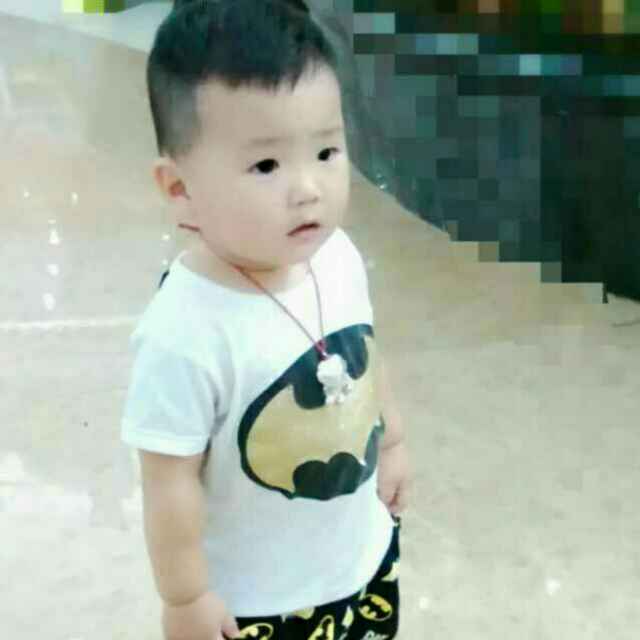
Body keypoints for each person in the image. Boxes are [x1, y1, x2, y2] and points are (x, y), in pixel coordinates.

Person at [120, 1, 412, 639]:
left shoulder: (336, 256)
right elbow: (168, 481)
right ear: (179, 189)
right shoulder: (185, 332)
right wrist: (185, 597)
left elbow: (364, 355)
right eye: (266, 165)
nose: (308, 188)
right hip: (261, 603)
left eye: (327, 151)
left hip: (360, 558)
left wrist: (391, 442)